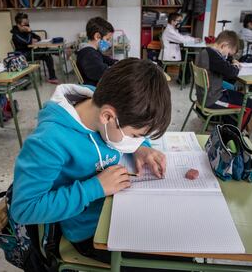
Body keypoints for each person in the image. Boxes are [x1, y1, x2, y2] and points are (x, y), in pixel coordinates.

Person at [10, 58, 178, 268]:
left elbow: (126, 130)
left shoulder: (104, 101)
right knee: (176, 260)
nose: (135, 140)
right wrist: (95, 188)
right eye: (135, 135)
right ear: (108, 117)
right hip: (90, 233)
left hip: (121, 208)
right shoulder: (48, 143)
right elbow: (24, 209)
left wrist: (141, 147)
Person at [195, 30, 252, 131]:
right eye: (228, 53)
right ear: (224, 45)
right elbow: (232, 72)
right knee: (249, 104)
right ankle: (236, 134)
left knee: (235, 93)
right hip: (212, 100)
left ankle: (228, 126)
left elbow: (223, 63)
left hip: (204, 95)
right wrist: (236, 66)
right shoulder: (214, 56)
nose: (227, 56)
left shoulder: (205, 51)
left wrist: (231, 60)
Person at [11, 12, 59, 84]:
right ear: (18, 25)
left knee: (47, 55)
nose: (27, 26)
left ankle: (52, 78)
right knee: (45, 50)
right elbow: (27, 41)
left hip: (30, 53)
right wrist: (29, 33)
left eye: (28, 24)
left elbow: (38, 37)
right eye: (25, 24)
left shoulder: (26, 31)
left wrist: (32, 38)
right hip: (22, 56)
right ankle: (56, 52)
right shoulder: (16, 35)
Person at [160, 12, 200, 84]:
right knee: (189, 58)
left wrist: (193, 39)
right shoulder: (170, 31)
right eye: (178, 21)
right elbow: (182, 39)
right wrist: (194, 40)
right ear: (173, 21)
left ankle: (182, 79)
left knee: (188, 56)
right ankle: (183, 81)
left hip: (171, 51)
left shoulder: (172, 29)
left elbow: (182, 37)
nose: (180, 23)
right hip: (170, 54)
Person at [77, 17, 118, 87]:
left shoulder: (92, 51)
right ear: (97, 36)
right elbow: (102, 72)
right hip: (94, 88)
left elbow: (104, 58)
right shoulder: (88, 54)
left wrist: (116, 62)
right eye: (107, 39)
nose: (109, 43)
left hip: (97, 84)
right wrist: (117, 70)